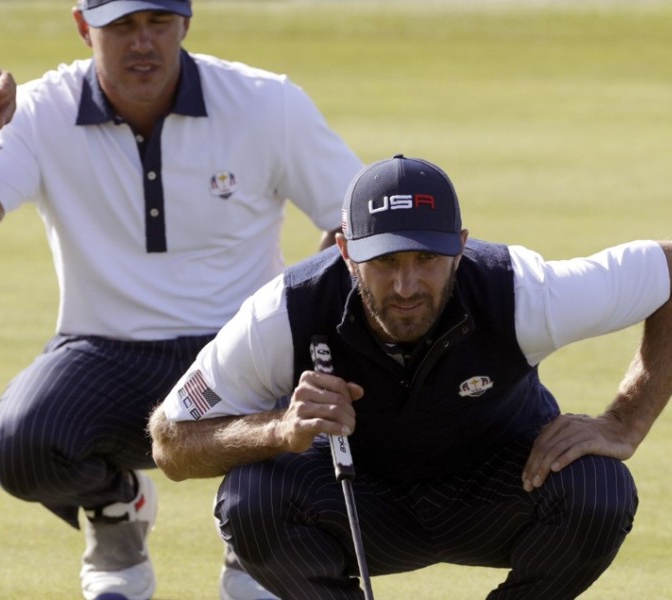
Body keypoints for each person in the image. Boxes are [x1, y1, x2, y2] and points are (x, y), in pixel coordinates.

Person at [0, 0, 364, 600]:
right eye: (121, 24)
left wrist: (308, 310)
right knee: (21, 444)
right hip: (105, 351)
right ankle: (117, 511)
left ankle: (255, 534)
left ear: (186, 20)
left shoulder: (265, 104)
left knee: (319, 400)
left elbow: (357, 229)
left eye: (159, 21)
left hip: (240, 350)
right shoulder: (42, 111)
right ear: (82, 27)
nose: (143, 41)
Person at [149, 154, 672, 599]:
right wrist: (278, 430)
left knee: (599, 488)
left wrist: (624, 422)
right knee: (250, 502)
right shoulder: (283, 312)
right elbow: (170, 441)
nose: (406, 285)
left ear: (460, 247)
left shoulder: (523, 293)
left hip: (499, 490)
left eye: (427, 258)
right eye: (386, 260)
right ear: (348, 252)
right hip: (358, 502)